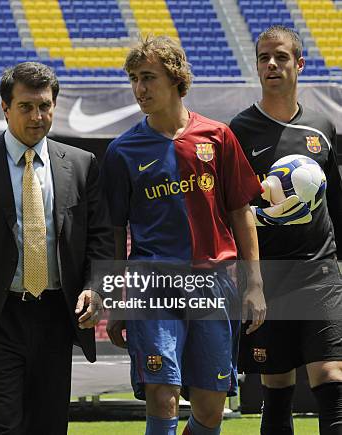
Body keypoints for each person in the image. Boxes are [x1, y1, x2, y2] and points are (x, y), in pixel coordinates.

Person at [0, 61, 114, 434]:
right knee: (2, 423)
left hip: (56, 317)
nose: (37, 116)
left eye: (45, 106)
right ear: (5, 108)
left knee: (48, 425)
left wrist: (96, 288)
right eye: (26, 107)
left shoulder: (81, 164)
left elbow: (101, 238)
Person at [102, 36, 266, 435]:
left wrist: (256, 284)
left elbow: (241, 211)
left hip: (213, 284)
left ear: (177, 79)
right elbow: (113, 230)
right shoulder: (122, 151)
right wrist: (116, 299)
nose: (140, 89)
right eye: (134, 79)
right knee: (163, 394)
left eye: (148, 78)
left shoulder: (218, 137)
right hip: (153, 285)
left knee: (210, 407)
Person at [230, 25, 342, 435]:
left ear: (300, 64)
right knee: (276, 387)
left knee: (332, 377)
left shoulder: (322, 128)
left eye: (280, 56)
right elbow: (232, 209)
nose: (271, 64)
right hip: (267, 277)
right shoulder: (238, 132)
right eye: (264, 58)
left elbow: (334, 204)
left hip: (320, 273)